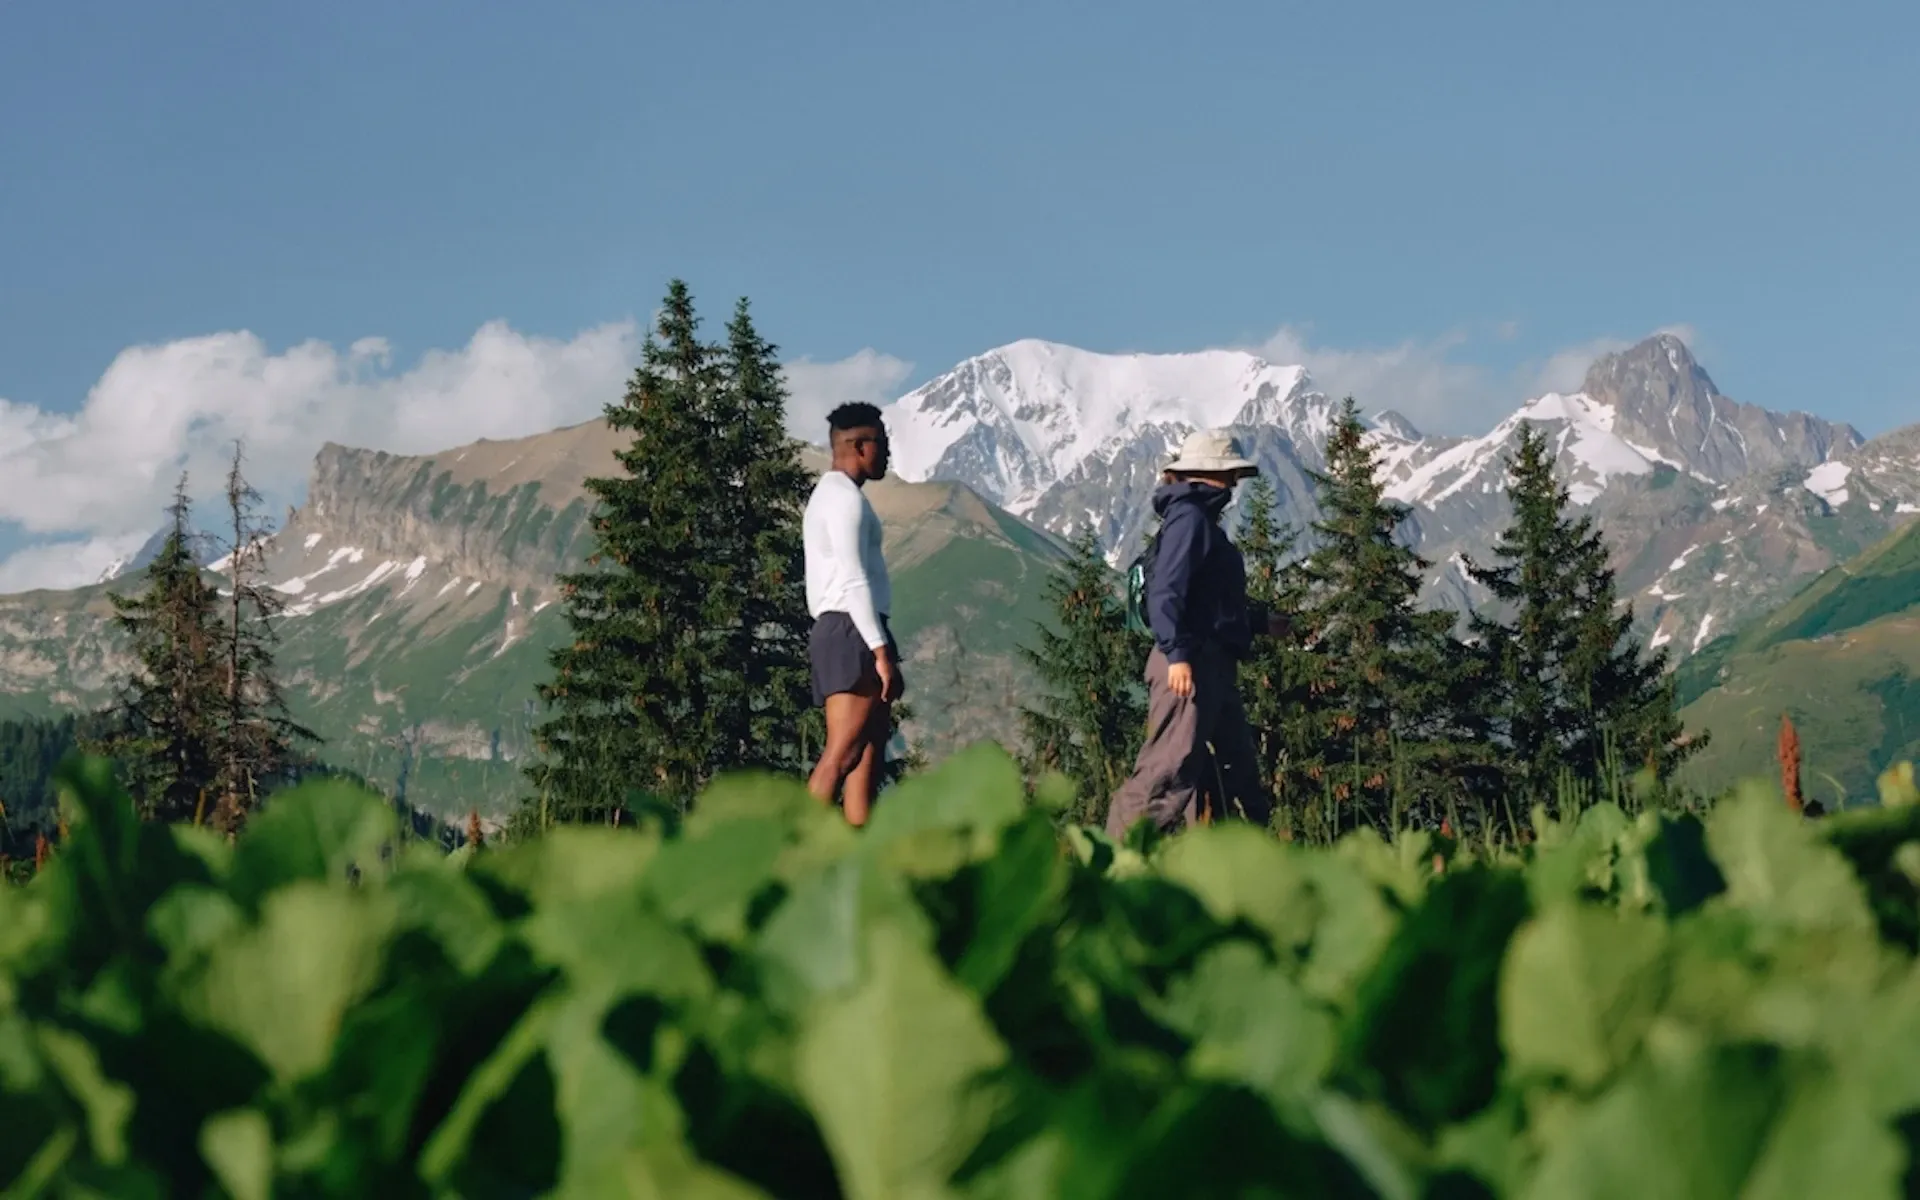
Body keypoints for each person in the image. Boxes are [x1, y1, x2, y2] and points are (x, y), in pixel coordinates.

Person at [1105, 429, 1289, 840]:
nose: (1236, 484)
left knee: (1231, 770)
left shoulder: (1198, 519)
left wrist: (1259, 623)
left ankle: (1224, 862)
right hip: (1190, 666)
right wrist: (1177, 655)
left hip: (1210, 663)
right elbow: (1167, 591)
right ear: (1213, 476)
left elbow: (1208, 601)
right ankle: (1114, 864)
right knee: (1167, 770)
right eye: (1232, 476)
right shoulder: (1189, 519)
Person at [803, 402, 905, 825]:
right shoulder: (844, 501)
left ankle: (858, 863)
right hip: (851, 630)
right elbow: (852, 579)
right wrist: (880, 652)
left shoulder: (833, 497)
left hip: (853, 628)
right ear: (860, 447)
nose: (887, 453)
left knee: (866, 756)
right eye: (882, 443)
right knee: (841, 754)